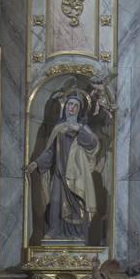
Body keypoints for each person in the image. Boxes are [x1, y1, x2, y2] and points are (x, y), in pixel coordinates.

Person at [26, 92, 100, 242]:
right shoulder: (58, 129)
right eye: (70, 105)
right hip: (59, 174)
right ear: (65, 107)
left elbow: (93, 144)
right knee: (55, 203)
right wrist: (37, 163)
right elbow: (51, 152)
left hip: (76, 175)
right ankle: (54, 230)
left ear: (79, 110)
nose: (72, 108)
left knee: (76, 203)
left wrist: (79, 130)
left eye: (75, 106)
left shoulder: (82, 128)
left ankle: (77, 234)